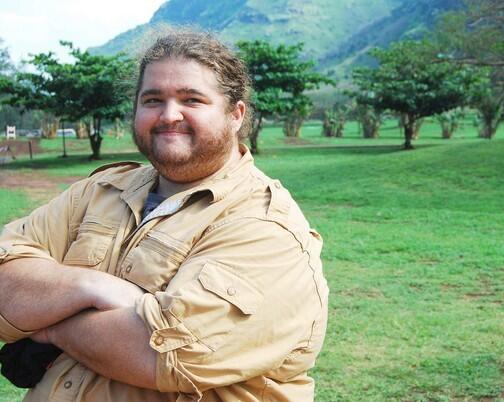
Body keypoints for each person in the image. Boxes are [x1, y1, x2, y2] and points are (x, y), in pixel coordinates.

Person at [0, 32, 328, 402]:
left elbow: (159, 353)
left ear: (236, 114)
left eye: (192, 99)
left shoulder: (268, 227)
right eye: (153, 100)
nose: (169, 115)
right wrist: (90, 288)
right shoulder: (100, 191)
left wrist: (50, 325)